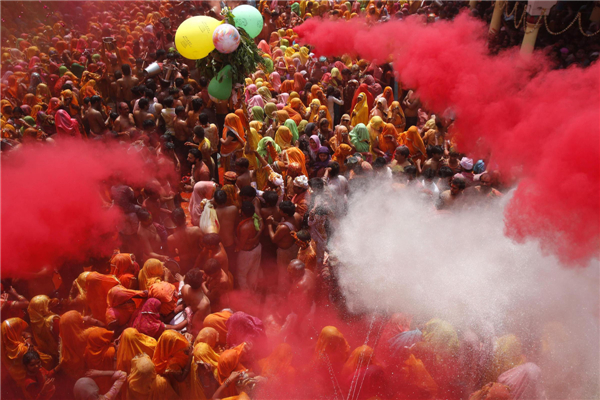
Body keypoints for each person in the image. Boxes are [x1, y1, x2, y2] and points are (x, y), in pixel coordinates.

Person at [267, 201, 299, 293]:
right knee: (292, 271)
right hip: (293, 247)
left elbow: (274, 239)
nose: (278, 211)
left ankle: (283, 293)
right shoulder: (297, 216)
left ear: (284, 213)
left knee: (283, 273)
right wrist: (275, 222)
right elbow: (288, 227)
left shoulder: (283, 228)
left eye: (280, 210)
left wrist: (269, 224)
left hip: (285, 252)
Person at [235, 201, 263, 291]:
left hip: (247, 252)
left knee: (241, 275)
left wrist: (232, 236)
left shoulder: (245, 227)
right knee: (254, 272)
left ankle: (246, 295)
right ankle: (253, 291)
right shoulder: (257, 219)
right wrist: (255, 238)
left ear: (242, 213)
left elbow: (241, 244)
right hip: (257, 248)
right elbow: (262, 227)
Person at [167, 208, 203, 274]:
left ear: (173, 222)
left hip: (185, 264)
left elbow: (172, 254)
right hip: (199, 260)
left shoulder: (171, 239)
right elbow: (204, 247)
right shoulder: (196, 230)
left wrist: (180, 251)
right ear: (184, 218)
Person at [181, 268, 211, 337]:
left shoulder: (185, 288)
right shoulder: (204, 303)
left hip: (186, 313)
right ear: (202, 280)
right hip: (192, 323)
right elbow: (195, 325)